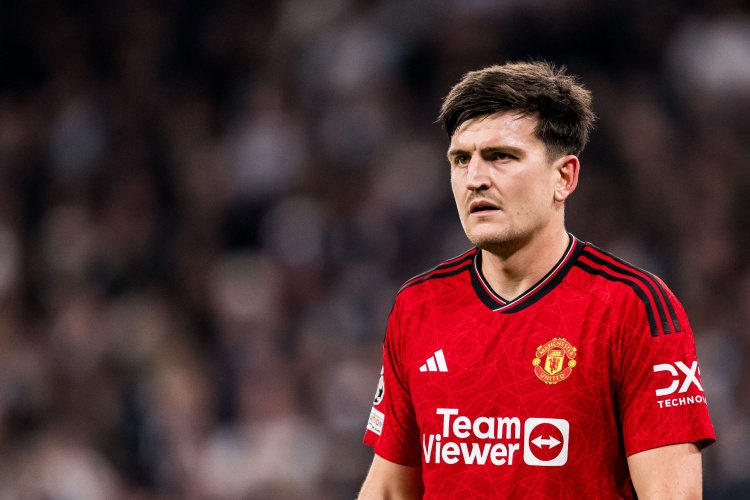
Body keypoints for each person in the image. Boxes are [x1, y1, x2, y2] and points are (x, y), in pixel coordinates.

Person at [358, 61, 715, 499]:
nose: (475, 179)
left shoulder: (631, 307)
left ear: (564, 177)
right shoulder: (419, 305)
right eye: (461, 159)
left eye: (501, 157)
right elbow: (390, 489)